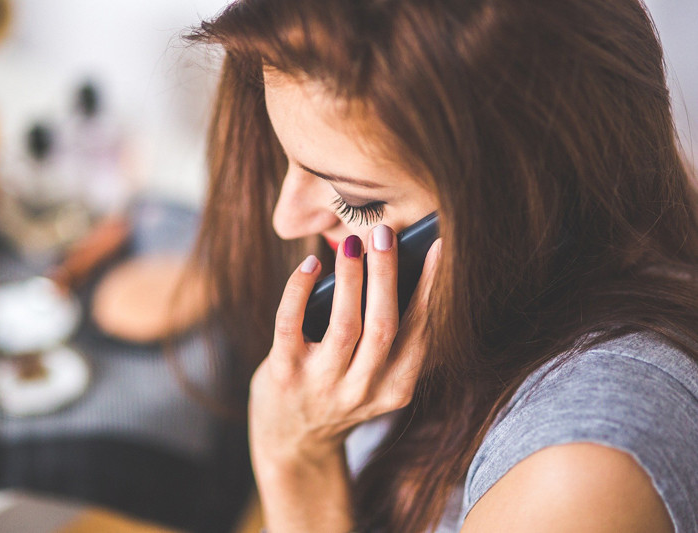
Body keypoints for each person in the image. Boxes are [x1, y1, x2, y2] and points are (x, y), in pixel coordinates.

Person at [185, 0, 698, 531]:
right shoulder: (466, 321)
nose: (285, 220)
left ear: (531, 204)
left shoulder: (580, 477)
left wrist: (296, 462)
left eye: (356, 200)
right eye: (286, 156)